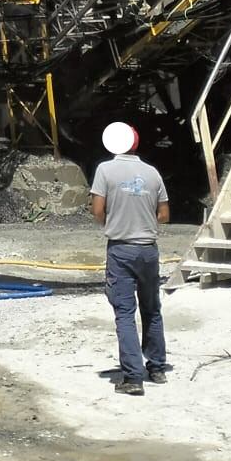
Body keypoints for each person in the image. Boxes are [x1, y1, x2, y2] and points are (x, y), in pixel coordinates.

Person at [92, 120, 170, 396]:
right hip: (149, 249)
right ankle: (158, 367)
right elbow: (164, 214)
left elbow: (98, 209)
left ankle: (133, 378)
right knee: (152, 309)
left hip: (121, 249)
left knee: (125, 313)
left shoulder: (105, 170)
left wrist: (113, 223)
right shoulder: (152, 174)